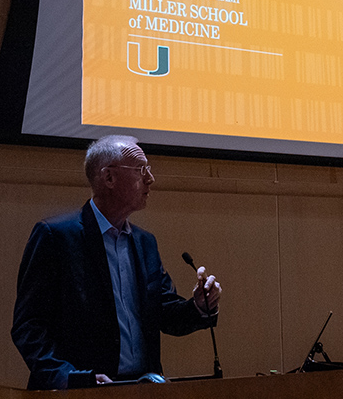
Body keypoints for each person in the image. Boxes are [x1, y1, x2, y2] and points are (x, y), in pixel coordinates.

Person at [12, 135, 222, 389]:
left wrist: (199, 306)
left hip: (142, 388)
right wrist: (69, 377)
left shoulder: (145, 243)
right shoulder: (55, 236)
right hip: (81, 391)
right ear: (109, 177)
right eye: (140, 170)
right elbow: (29, 326)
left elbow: (164, 313)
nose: (150, 179)